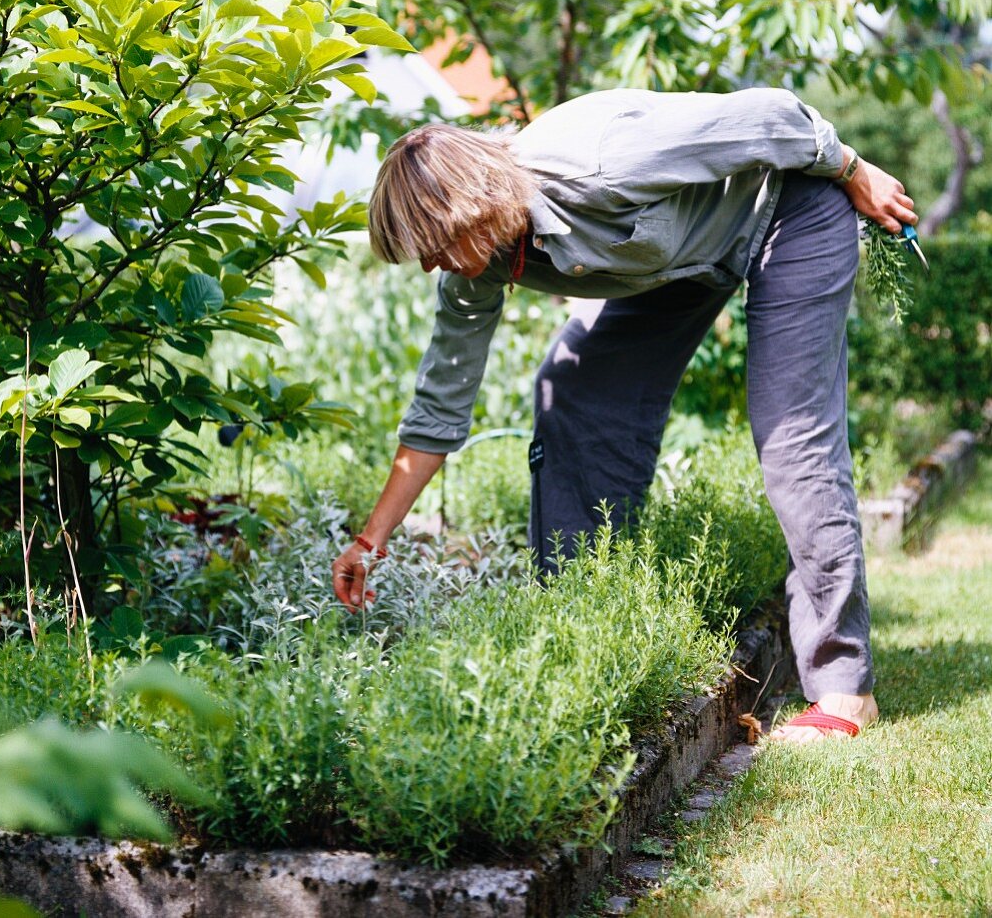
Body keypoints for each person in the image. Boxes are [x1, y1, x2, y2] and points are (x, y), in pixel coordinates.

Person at [330, 87, 918, 743]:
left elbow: (770, 115)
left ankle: (843, 690)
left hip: (788, 215)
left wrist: (853, 171)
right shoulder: (477, 261)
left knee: (792, 441)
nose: (433, 265)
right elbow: (439, 407)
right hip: (684, 262)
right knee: (572, 393)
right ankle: (581, 623)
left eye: (435, 247)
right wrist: (370, 540)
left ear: (471, 209)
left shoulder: (604, 159)